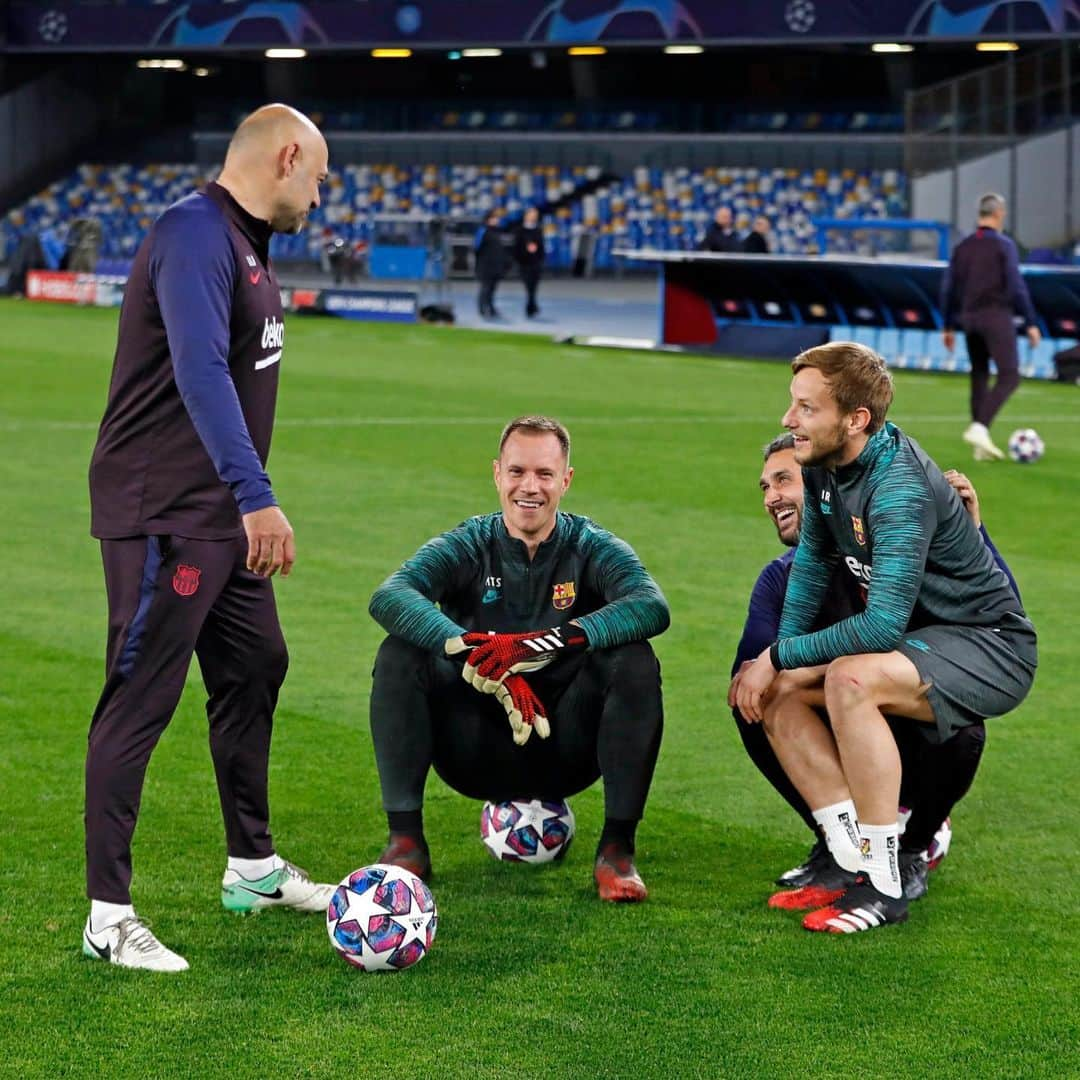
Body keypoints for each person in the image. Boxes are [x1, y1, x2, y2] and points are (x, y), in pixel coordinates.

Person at [84, 104, 336, 972]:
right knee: (139, 699)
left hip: (215, 514)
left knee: (258, 663)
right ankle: (108, 917)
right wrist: (255, 495)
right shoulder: (194, 234)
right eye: (319, 174)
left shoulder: (245, 243)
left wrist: (241, 505)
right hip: (165, 512)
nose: (321, 192)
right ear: (287, 155)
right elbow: (197, 368)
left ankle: (253, 866)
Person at [734, 342, 1036, 933]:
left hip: (989, 643)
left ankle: (883, 882)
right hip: (929, 644)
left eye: (805, 408)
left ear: (856, 420)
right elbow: (813, 565)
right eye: (791, 404)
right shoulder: (823, 469)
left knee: (852, 676)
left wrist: (776, 653)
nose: (788, 420)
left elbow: (881, 628)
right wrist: (783, 666)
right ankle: (847, 859)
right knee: (779, 692)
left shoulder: (899, 487)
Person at [367, 415, 670, 902]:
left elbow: (651, 606)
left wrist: (538, 644)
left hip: (566, 749)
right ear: (497, 474)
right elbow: (391, 595)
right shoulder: (469, 543)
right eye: (517, 472)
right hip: (473, 750)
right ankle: (405, 841)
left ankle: (617, 850)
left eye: (545, 474)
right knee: (400, 653)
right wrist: (479, 655)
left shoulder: (590, 545)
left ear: (566, 480)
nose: (530, 487)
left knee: (634, 659)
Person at [940, 193, 1042, 461]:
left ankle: (980, 447)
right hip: (996, 317)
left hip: (969, 319)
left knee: (980, 375)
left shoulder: (962, 247)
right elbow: (1016, 286)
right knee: (1010, 376)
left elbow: (948, 288)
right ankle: (980, 426)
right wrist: (1031, 322)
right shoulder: (1003, 246)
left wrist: (947, 326)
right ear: (998, 214)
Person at [474, 209, 506, 319]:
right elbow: (476, 248)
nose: (497, 220)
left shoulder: (497, 231)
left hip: (496, 266)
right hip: (485, 266)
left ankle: (491, 308)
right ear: (488, 219)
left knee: (493, 288)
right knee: (485, 288)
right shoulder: (483, 231)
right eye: (494, 218)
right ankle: (482, 308)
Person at [514, 206, 545, 318]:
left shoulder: (538, 229)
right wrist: (525, 251)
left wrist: (540, 257)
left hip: (536, 262)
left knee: (534, 286)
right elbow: (516, 247)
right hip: (524, 263)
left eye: (535, 215)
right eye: (532, 214)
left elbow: (541, 246)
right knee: (528, 286)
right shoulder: (519, 230)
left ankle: (532, 305)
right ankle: (531, 306)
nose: (533, 217)